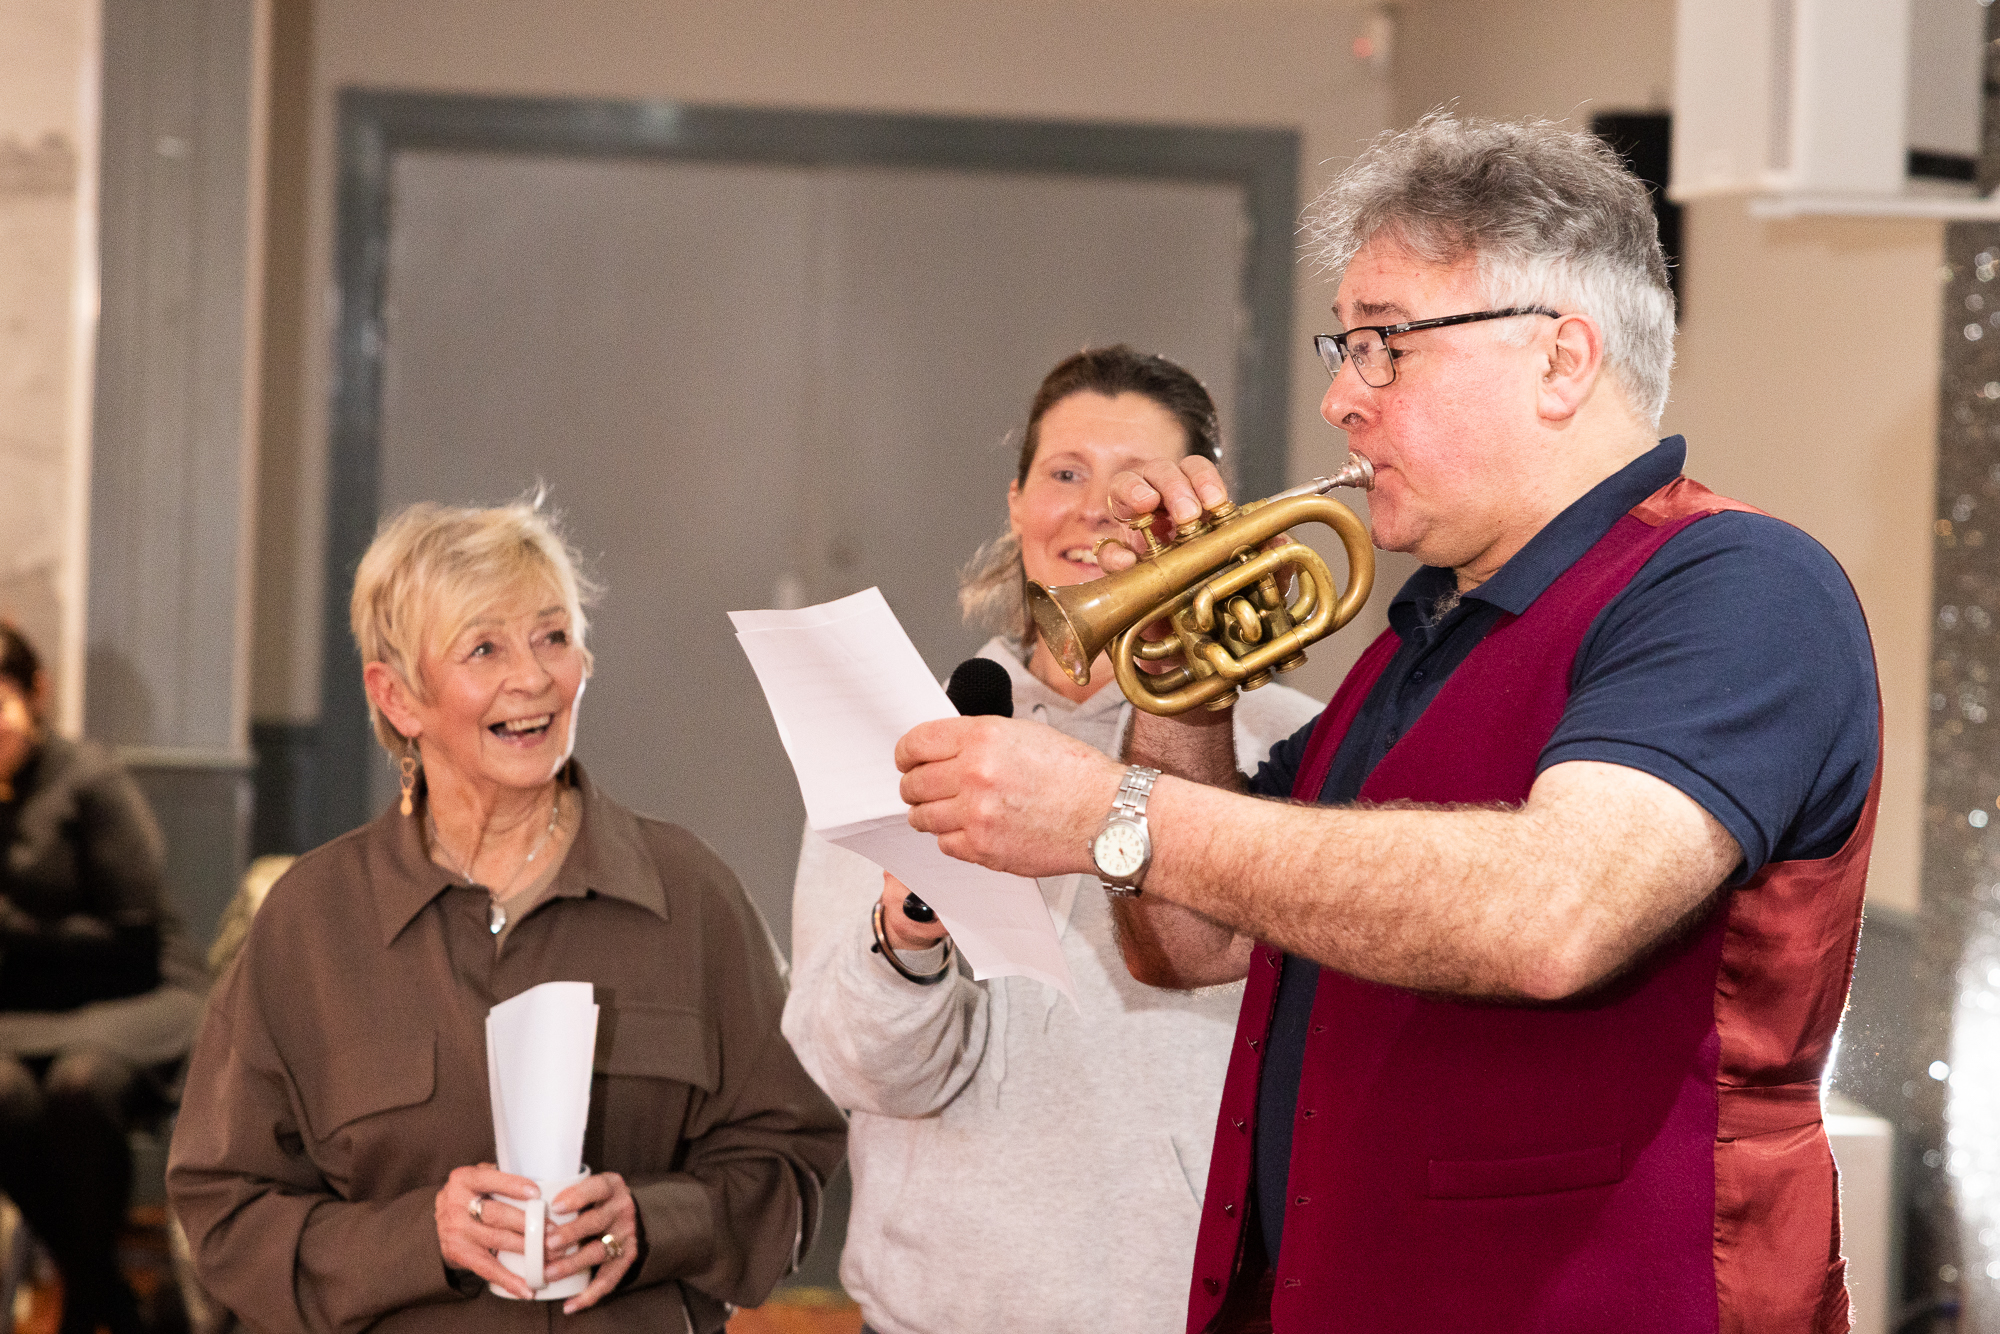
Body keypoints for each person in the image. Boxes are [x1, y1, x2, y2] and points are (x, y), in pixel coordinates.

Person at [890, 115, 1881, 1334]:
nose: (1337, 399)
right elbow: (1189, 940)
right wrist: (1180, 684)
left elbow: (1554, 912)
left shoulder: (1736, 584)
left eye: (1382, 347)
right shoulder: (1419, 635)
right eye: (1341, 346)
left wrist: (1110, 809)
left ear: (1560, 359)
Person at [167, 499, 846, 1334]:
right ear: (397, 697)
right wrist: (422, 1238)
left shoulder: (691, 898)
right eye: (484, 648)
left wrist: (655, 1223)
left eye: (553, 637)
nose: (533, 678)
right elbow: (226, 1211)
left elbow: (788, 1160)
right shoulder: (311, 923)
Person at [781, 347, 1324, 1334]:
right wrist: (906, 934)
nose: (1093, 512)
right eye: (1065, 473)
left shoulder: (1292, 741)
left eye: (1136, 482)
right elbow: (858, 1075)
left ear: (1195, 509)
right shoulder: (904, 732)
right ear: (1016, 501)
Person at [0, 622, 206, 1334]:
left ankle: (87, 1306)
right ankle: (103, 1294)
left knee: (81, 1085)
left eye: (1, 702)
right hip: (28, 1013)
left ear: (36, 694)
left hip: (138, 994)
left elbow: (136, 933)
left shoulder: (89, 778)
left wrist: (12, 930)